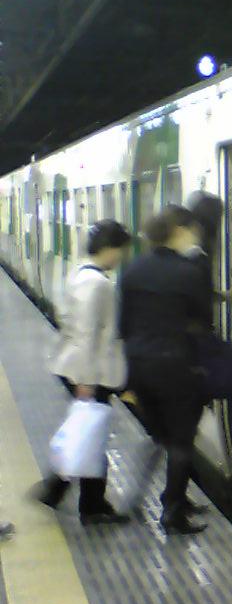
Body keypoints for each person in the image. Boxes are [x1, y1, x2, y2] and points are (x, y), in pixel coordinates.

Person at [118, 206, 211, 536]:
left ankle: (174, 498)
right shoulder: (188, 273)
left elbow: (123, 325)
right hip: (177, 366)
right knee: (181, 441)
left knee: (162, 436)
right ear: (178, 232)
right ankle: (172, 512)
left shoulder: (132, 270)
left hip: (139, 366)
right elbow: (203, 321)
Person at [35, 219, 132, 525]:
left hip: (80, 367)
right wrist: (87, 381)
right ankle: (83, 502)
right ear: (109, 248)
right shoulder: (97, 284)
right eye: (121, 250)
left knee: (90, 433)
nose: (121, 257)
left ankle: (70, 495)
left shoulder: (79, 273)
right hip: (91, 372)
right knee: (91, 435)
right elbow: (88, 334)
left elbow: (69, 321)